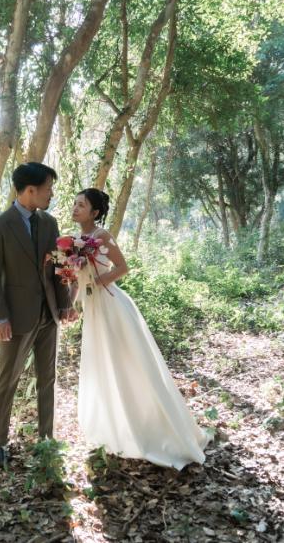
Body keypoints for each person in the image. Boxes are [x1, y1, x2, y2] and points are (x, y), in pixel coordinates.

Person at [72, 188, 210, 470]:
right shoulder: (73, 241)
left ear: (94, 212)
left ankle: (148, 425)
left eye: (81, 205)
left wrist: (96, 283)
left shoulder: (102, 236)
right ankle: (112, 424)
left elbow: (122, 267)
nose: (75, 208)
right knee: (101, 363)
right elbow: (75, 278)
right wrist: (72, 303)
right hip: (93, 308)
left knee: (125, 363)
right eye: (74, 203)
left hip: (111, 305)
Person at [0, 162, 75, 468]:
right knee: (7, 380)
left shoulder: (50, 223)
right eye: (48, 188)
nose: (51, 194)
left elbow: (59, 266)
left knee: (47, 378)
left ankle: (46, 439)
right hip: (15, 319)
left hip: (48, 314)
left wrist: (64, 303)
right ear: (31, 190)